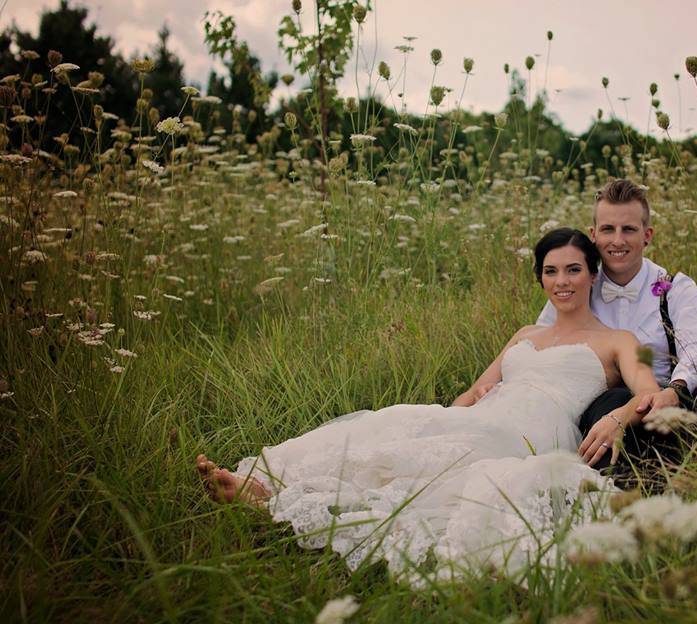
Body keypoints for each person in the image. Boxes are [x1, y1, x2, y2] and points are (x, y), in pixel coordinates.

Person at [196, 228, 661, 579]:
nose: (562, 281)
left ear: (593, 274)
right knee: (401, 425)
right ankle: (272, 487)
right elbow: (475, 390)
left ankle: (291, 503)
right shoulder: (525, 335)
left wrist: (620, 416)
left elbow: (648, 391)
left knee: (460, 470)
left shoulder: (615, 340)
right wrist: (450, 414)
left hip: (537, 428)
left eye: (573, 269)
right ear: (540, 277)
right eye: (551, 271)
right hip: (486, 414)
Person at [537, 179, 697, 477]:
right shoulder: (578, 283)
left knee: (644, 418)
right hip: (586, 406)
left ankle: (640, 492)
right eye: (608, 229)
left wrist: (676, 389)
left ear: (647, 235)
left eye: (628, 229)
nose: (617, 240)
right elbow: (542, 339)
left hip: (657, 406)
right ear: (593, 235)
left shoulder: (673, 288)